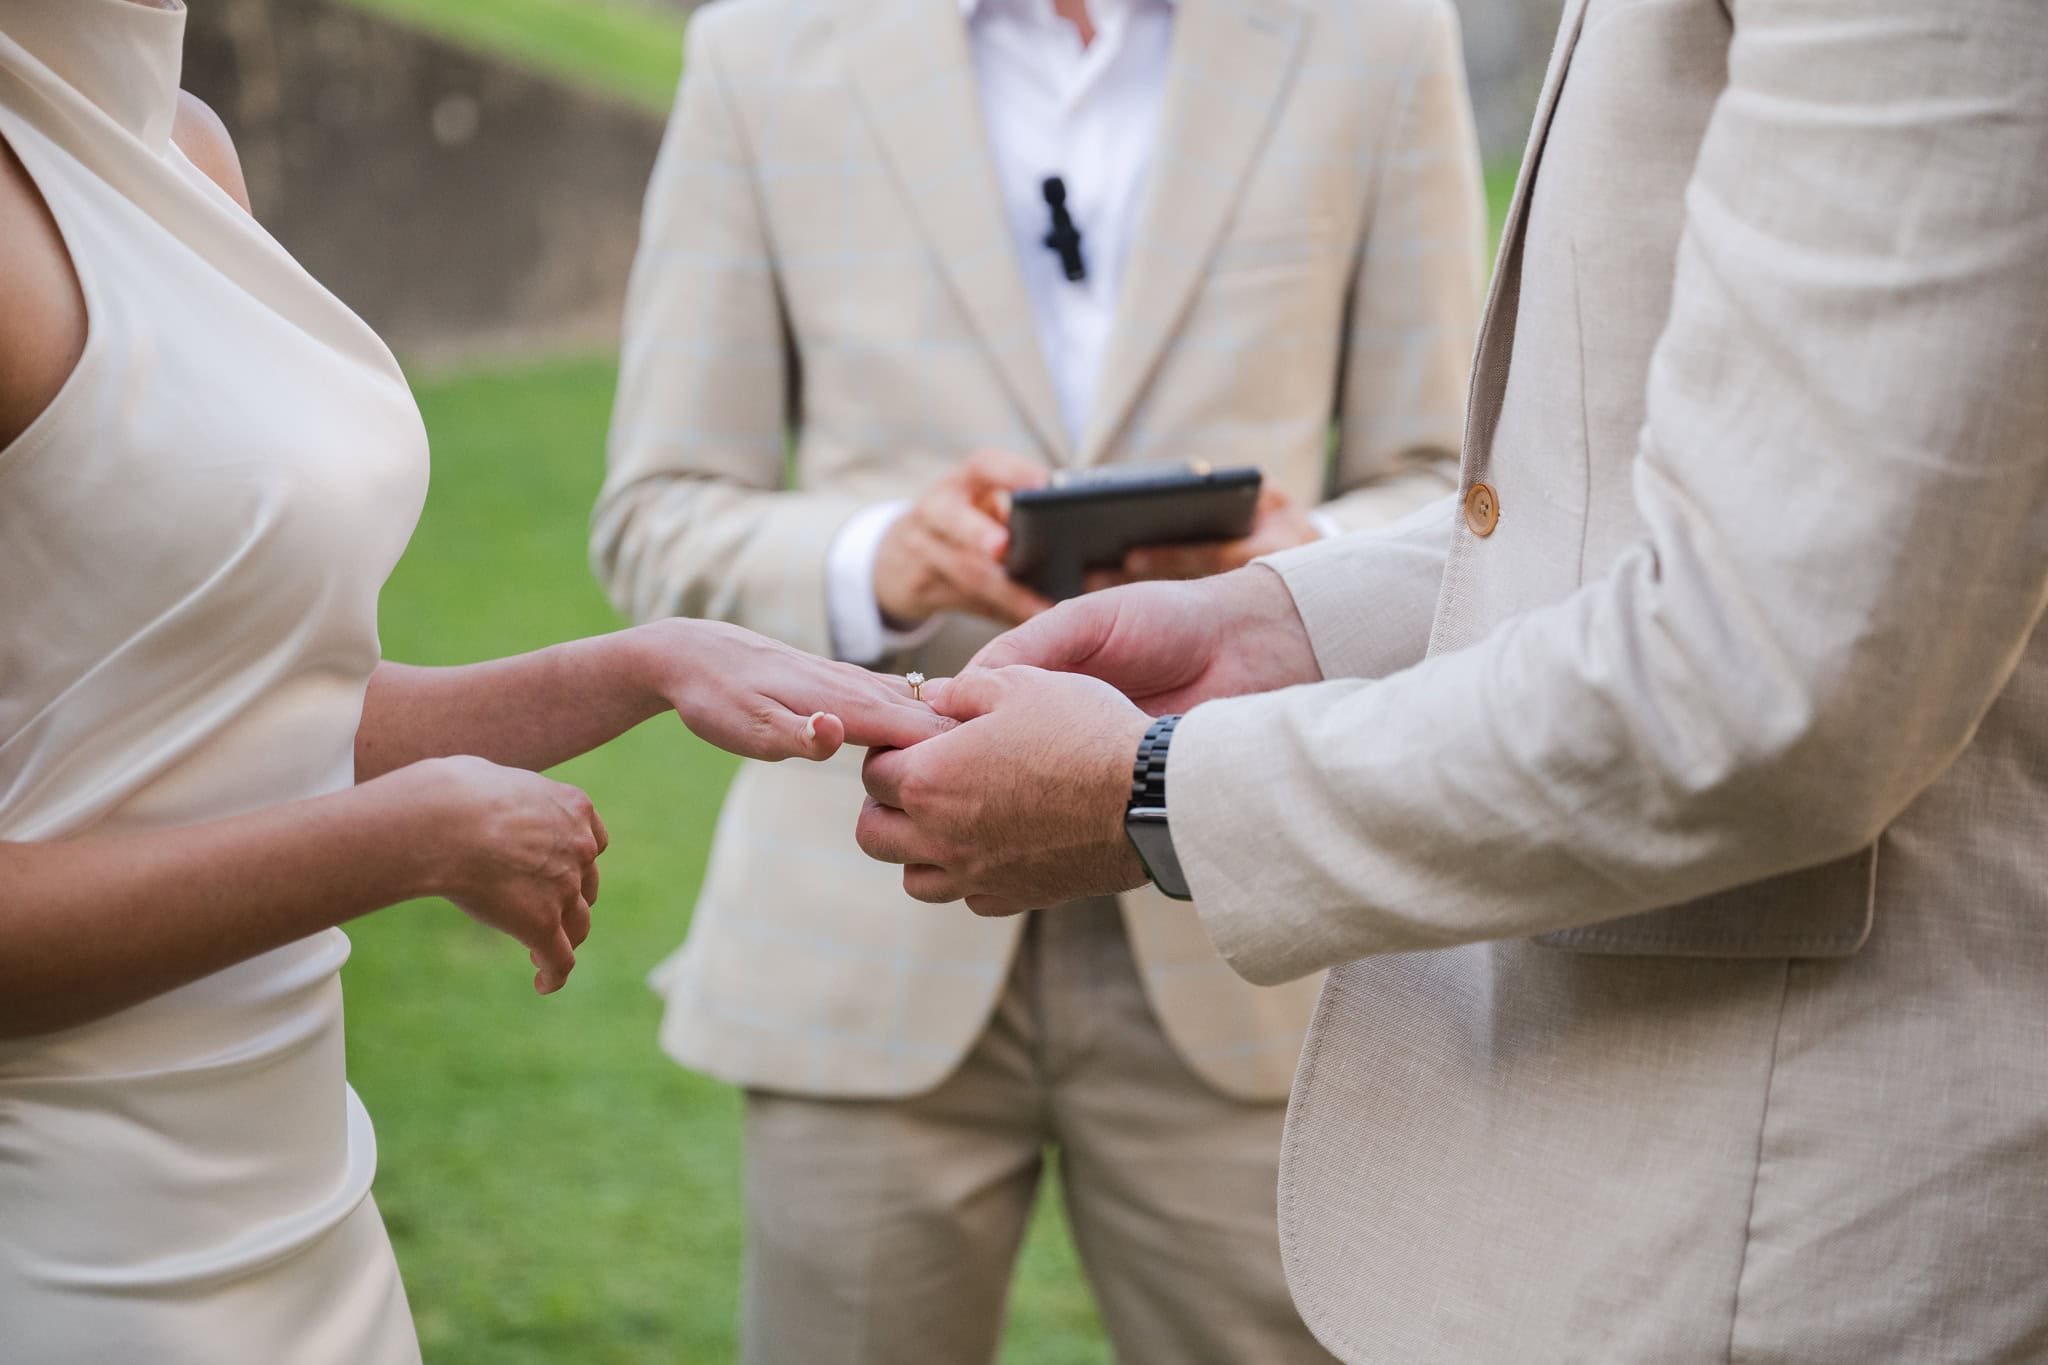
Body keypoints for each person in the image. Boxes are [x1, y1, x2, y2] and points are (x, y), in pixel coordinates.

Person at [853, 0, 2048, 1360]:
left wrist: (1159, 794)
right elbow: (1600, 495)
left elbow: (1777, 674)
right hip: (1619, 1162)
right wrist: (1280, 627)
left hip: (1802, 1220)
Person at [0, 3, 944, 1360]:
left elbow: (230, 718)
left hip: (303, 1195)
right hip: (70, 1242)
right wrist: (407, 838)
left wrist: (638, 663)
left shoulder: (181, 141)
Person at [592, 0, 1484, 1357]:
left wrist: (1291, 570)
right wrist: (881, 557)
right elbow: (656, 512)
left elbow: (1463, 483)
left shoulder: (1374, 32)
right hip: (865, 912)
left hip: (1250, 931)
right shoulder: (763, 43)